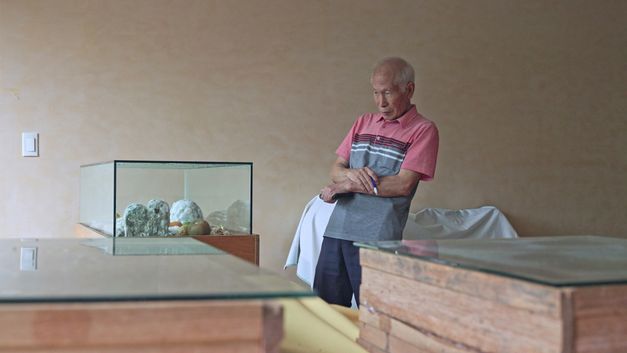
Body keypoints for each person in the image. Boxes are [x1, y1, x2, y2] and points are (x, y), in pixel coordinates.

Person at [314, 57, 439, 307]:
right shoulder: (362, 122)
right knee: (325, 312)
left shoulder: (424, 130)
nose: (381, 102)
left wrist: (347, 184)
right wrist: (347, 177)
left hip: (378, 237)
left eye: (388, 93)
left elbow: (403, 184)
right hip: (338, 230)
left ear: (409, 89)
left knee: (374, 316)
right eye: (375, 92)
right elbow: (336, 170)